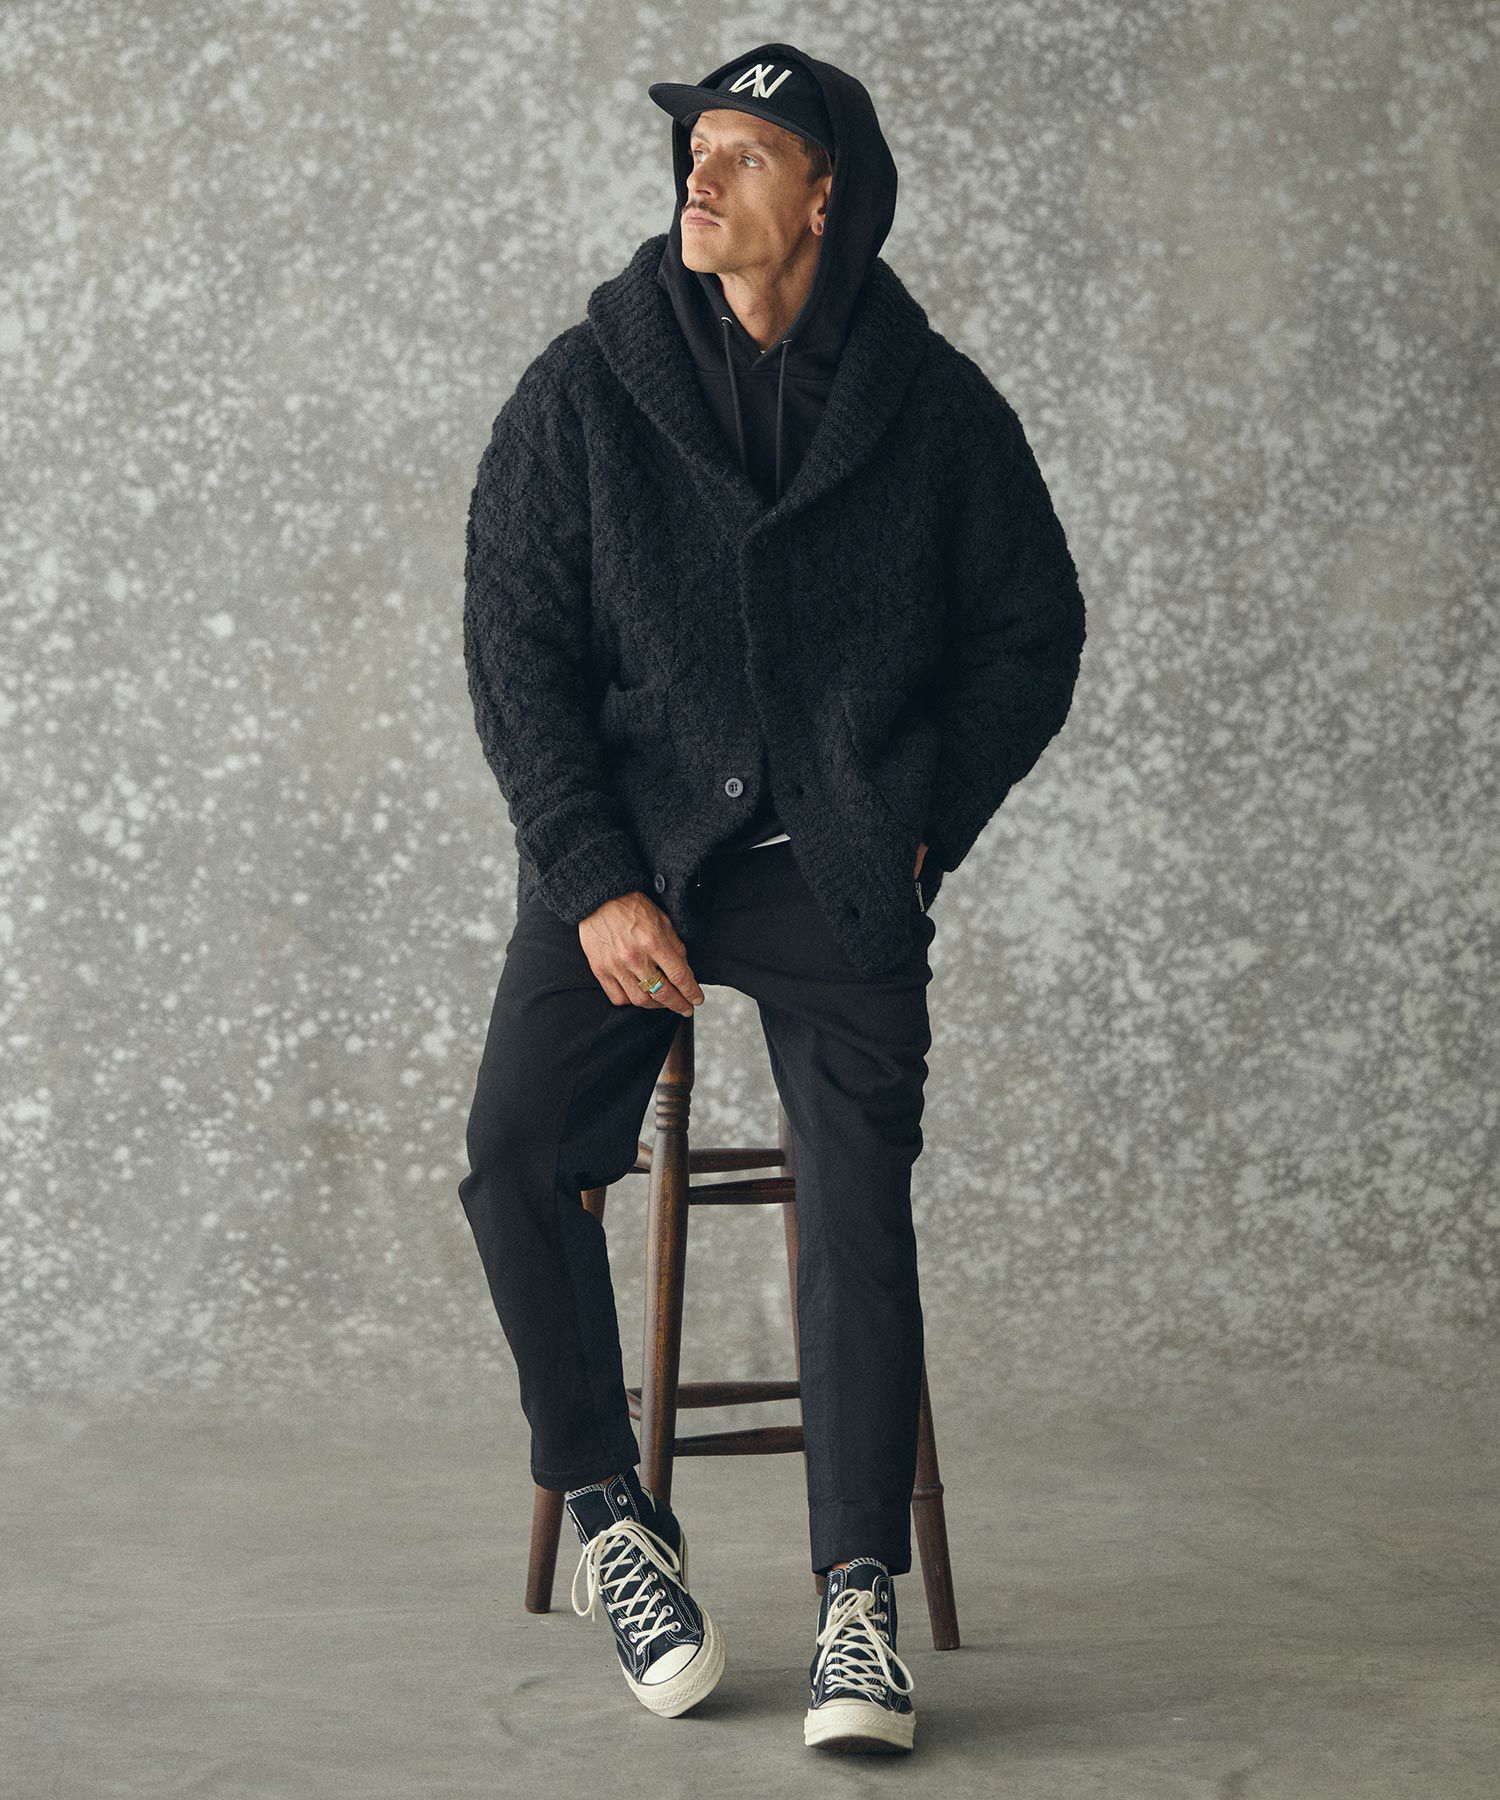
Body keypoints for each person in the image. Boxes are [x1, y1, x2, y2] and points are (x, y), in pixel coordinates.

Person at [457, 42, 1086, 1755]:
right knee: (516, 1154)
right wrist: (594, 880)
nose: (702, 173)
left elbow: (1033, 630)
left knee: (855, 1205)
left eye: (743, 152)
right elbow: (513, 655)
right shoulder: (583, 392)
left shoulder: (932, 407)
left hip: (835, 868)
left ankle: (855, 1602)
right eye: (696, 146)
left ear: (824, 197)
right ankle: (616, 1513)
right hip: (635, 858)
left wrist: (922, 826)